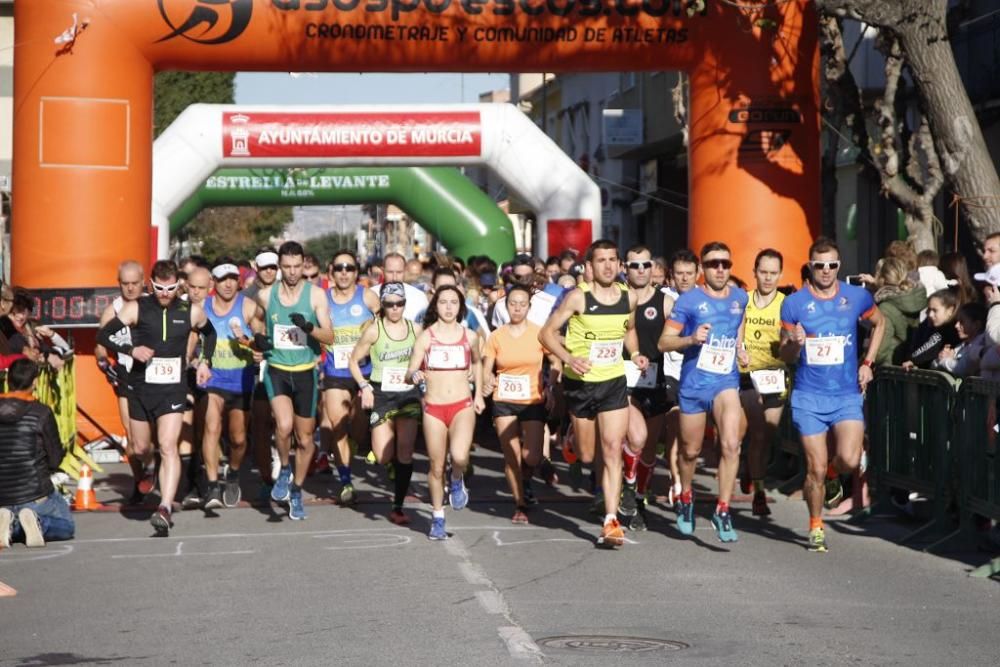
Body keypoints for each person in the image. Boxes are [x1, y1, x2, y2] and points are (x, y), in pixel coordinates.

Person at [780, 236, 886, 553]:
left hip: (846, 394)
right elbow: (785, 355)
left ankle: (832, 473)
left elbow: (880, 325)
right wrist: (795, 343)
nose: (826, 271)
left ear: (839, 266)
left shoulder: (857, 297)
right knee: (813, 467)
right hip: (809, 396)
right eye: (819, 265)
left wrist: (868, 362)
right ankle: (816, 524)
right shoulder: (794, 303)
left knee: (850, 458)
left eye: (832, 265)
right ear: (810, 266)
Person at [96, 259, 217, 536]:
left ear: (179, 286)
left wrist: (205, 362)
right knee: (140, 448)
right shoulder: (137, 307)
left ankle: (164, 507)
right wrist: (130, 348)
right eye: (160, 288)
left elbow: (210, 334)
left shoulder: (191, 311)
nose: (165, 294)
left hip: (172, 389)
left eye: (171, 288)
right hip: (139, 388)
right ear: (151, 284)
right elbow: (104, 335)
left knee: (168, 445)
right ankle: (148, 470)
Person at [540, 239, 644, 548]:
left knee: (612, 449)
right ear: (590, 266)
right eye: (602, 260)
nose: (609, 265)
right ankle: (572, 437)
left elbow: (628, 329)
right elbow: (545, 333)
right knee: (588, 455)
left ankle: (610, 520)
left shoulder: (630, 297)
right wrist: (570, 358)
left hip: (613, 381)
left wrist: (635, 352)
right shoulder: (577, 298)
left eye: (613, 259)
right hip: (580, 384)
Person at [659, 241, 749, 543]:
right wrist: (690, 339)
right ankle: (685, 495)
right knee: (691, 451)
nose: (720, 269)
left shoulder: (739, 296)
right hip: (695, 384)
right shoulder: (688, 302)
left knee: (731, 444)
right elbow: (663, 342)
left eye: (725, 263)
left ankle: (723, 509)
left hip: (726, 382)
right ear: (702, 269)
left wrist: (740, 347)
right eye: (713, 264)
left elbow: (739, 324)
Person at [251, 241, 335, 521]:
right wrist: (259, 338)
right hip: (276, 368)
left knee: (306, 438)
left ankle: (297, 490)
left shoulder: (316, 296)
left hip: (305, 371)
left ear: (303, 265)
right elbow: (256, 321)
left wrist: (308, 327)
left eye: (297, 266)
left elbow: (330, 337)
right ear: (279, 267)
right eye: (286, 267)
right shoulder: (266, 294)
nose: (292, 272)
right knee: (283, 426)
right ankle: (284, 468)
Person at [406, 285, 485, 541]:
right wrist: (414, 375)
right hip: (433, 408)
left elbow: (477, 362)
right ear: (435, 306)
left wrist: (480, 394)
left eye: (453, 302)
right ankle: (438, 517)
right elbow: (409, 371)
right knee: (435, 466)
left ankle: (458, 476)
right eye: (443, 302)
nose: (449, 307)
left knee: (460, 456)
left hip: (462, 404)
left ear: (460, 307)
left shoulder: (470, 336)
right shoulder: (426, 337)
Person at [349, 283, 422, 525]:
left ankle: (398, 505)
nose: (394, 309)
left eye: (399, 304)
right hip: (381, 393)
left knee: (406, 451)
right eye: (389, 304)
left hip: (408, 394)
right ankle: (390, 463)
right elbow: (353, 361)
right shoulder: (374, 330)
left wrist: (423, 375)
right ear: (383, 304)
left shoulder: (416, 329)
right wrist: (364, 385)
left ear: (404, 304)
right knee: (382, 455)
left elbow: (426, 359)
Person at [482, 285, 556, 523]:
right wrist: (487, 379)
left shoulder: (539, 333)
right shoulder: (496, 336)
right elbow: (487, 367)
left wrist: (552, 387)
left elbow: (556, 361)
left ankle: (526, 479)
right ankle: (520, 503)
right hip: (503, 399)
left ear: (529, 307)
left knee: (531, 456)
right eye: (513, 303)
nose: (517, 308)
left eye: (522, 303)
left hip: (532, 399)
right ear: (506, 306)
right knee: (511, 456)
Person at [619, 245, 673, 531]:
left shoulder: (666, 302)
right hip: (624, 383)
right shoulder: (615, 299)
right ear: (624, 269)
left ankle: (638, 499)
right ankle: (627, 486)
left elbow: (682, 334)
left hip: (655, 382)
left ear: (654, 268)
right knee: (636, 438)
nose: (641, 270)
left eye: (645, 265)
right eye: (634, 265)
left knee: (649, 451)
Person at [199, 259, 258, 509]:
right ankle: (212, 487)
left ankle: (232, 473)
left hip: (241, 379)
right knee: (211, 428)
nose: (228, 284)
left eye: (232, 278)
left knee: (238, 439)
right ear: (214, 282)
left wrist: (248, 342)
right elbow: (191, 338)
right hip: (213, 379)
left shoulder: (248, 307)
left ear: (239, 281)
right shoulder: (202, 306)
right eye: (222, 279)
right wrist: (197, 360)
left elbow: (260, 343)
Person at [321, 250, 379, 505]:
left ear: (357, 272)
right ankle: (345, 481)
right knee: (337, 425)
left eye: (350, 268)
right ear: (331, 272)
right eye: (339, 268)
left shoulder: (367, 297)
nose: (344, 272)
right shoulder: (321, 300)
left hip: (364, 374)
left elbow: (386, 328)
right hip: (335, 372)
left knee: (357, 428)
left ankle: (354, 448)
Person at [0, 358, 75, 548]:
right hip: (35, 492)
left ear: (9, 381)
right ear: (35, 382)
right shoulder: (41, 412)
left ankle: (8, 523)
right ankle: (35, 523)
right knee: (66, 526)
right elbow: (55, 459)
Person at [739, 249, 787, 517]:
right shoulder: (743, 301)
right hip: (746, 376)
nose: (768, 278)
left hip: (775, 377)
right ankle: (759, 493)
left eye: (773, 273)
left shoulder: (786, 304)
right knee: (757, 434)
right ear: (755, 272)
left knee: (766, 436)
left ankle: (751, 467)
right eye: (763, 272)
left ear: (780, 274)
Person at [96, 260, 147, 503]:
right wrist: (104, 364)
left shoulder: (154, 305)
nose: (129, 288)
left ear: (143, 281)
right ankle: (140, 481)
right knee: (132, 436)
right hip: (127, 376)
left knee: (156, 438)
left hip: (155, 377)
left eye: (134, 283)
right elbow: (100, 346)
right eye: (124, 284)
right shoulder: (112, 310)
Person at [662, 249, 700, 505]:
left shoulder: (707, 298)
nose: (684, 279)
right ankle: (677, 483)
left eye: (689, 273)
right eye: (679, 274)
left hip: (701, 373)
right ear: (671, 276)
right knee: (675, 428)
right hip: (671, 372)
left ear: (698, 274)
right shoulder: (666, 299)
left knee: (693, 440)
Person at [244, 248, 280, 498]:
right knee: (261, 421)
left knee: (283, 420)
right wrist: (252, 348)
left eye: (273, 267)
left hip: (284, 362)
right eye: (265, 267)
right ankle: (266, 473)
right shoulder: (247, 296)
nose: (269, 271)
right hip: (256, 364)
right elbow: (240, 330)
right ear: (255, 268)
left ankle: (281, 460)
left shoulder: (289, 293)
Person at [872, 257, 926, 365]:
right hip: (908, 363)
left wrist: (866, 360)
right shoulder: (912, 299)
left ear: (882, 279)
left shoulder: (885, 307)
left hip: (888, 368)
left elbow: (879, 351)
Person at [901, 289, 960, 370]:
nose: (930, 314)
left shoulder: (950, 331)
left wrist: (913, 361)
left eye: (935, 310)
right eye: (929, 310)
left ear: (950, 310)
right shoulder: (929, 327)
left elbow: (920, 355)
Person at [371, 252, 428, 324]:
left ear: (405, 271)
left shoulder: (419, 297)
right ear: (383, 271)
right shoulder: (371, 294)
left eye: (399, 272)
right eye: (390, 272)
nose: (394, 277)